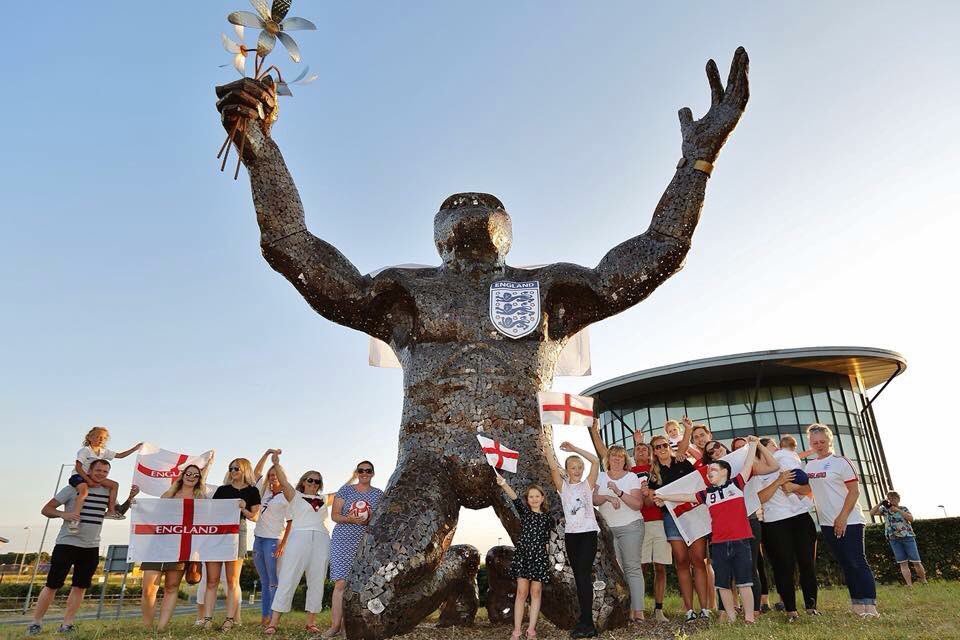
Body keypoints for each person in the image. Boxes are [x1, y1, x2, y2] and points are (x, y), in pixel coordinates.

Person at [656, 436, 761, 624]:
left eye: (713, 470)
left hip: (740, 541)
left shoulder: (737, 484)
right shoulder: (707, 494)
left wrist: (752, 445)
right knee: (722, 584)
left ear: (725, 472)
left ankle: (749, 617)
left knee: (744, 582)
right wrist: (664, 496)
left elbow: (747, 466)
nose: (709, 472)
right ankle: (730, 617)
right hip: (718, 544)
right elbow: (685, 496)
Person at [27, 460, 136, 635]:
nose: (101, 474)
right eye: (98, 470)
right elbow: (46, 509)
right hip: (67, 543)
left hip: (91, 546)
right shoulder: (73, 488)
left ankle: (67, 624)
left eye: (105, 472)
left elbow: (117, 513)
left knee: (80, 586)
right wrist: (65, 514)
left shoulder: (108, 491)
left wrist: (130, 498)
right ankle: (36, 622)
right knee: (52, 585)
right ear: (89, 470)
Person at [805, 424, 878, 617]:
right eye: (815, 443)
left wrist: (843, 516)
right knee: (845, 563)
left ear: (830, 441)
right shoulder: (810, 466)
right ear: (810, 444)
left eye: (822, 441)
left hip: (850, 520)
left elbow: (855, 491)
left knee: (857, 562)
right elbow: (810, 491)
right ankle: (857, 605)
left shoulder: (841, 462)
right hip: (827, 523)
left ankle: (870, 606)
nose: (819, 445)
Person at [647, 419, 710, 622]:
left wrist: (688, 430)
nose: (662, 448)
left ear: (668, 445)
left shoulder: (683, 462)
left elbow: (698, 484)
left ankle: (705, 609)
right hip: (672, 519)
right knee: (682, 562)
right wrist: (652, 496)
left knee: (698, 561)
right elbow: (654, 501)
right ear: (654, 451)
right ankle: (690, 610)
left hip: (693, 514)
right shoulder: (653, 476)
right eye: (658, 447)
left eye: (665, 444)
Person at [267, 453, 331, 635]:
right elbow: (284, 481)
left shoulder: (324, 499)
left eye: (317, 482)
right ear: (303, 481)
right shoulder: (295, 495)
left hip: (321, 539)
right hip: (299, 538)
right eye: (310, 480)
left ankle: (311, 622)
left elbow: (344, 492)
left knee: (317, 580)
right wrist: (277, 464)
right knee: (288, 577)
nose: (313, 484)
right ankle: (273, 622)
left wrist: (356, 475)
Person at [544, 435, 600, 638]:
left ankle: (588, 623)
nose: (576, 470)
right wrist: (547, 447)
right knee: (579, 578)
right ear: (567, 470)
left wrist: (574, 447)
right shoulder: (563, 488)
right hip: (572, 537)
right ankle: (584, 621)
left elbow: (595, 461)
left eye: (579, 467)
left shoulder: (587, 485)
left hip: (588, 534)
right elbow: (551, 466)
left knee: (584, 575)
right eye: (572, 467)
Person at [140, 464, 208, 631]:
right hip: (157, 544)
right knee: (149, 589)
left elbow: (203, 524)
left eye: (196, 475)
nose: (191, 476)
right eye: (188, 473)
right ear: (182, 475)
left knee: (171, 587)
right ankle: (148, 627)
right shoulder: (170, 495)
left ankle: (161, 628)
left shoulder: (201, 498)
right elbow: (158, 508)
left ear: (199, 479)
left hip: (181, 547)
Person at [325, 461, 385, 637]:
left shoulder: (379, 494)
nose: (364, 473)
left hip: (365, 542)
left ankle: (348, 627)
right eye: (361, 470)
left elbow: (380, 519)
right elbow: (334, 515)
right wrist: (350, 519)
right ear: (357, 472)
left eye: (368, 471)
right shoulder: (346, 490)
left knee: (359, 584)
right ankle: (335, 625)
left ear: (373, 473)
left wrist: (371, 519)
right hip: (343, 539)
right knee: (341, 582)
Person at [202, 458, 261, 630]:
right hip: (217, 532)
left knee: (232, 580)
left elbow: (255, 517)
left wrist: (243, 508)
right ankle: (207, 619)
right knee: (212, 580)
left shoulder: (252, 491)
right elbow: (211, 511)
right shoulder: (222, 490)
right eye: (231, 468)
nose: (233, 471)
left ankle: (229, 619)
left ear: (245, 470)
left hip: (237, 532)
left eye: (237, 468)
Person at [756, 466, 819, 621]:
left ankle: (812, 607)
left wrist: (794, 487)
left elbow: (809, 489)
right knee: (783, 567)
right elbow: (759, 498)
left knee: (807, 563)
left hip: (801, 519)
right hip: (774, 523)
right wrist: (778, 482)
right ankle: (791, 611)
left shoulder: (786, 468)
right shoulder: (754, 476)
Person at [592, 445, 646, 622]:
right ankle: (624, 610)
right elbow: (593, 499)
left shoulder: (631, 477)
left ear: (625, 460)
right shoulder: (600, 476)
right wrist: (607, 497)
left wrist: (619, 492)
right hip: (608, 530)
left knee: (632, 568)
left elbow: (638, 504)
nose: (616, 459)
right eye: (613, 456)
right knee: (618, 570)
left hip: (631, 526)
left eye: (620, 457)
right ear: (608, 459)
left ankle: (638, 611)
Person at [495, 473, 552, 640]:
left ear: (542, 498)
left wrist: (546, 558)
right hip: (523, 556)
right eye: (531, 497)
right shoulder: (525, 513)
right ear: (528, 500)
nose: (534, 499)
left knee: (536, 592)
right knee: (521, 592)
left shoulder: (548, 518)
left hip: (539, 557)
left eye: (537, 496)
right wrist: (504, 484)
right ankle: (517, 630)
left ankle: (532, 630)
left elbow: (547, 540)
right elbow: (514, 498)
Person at [66, 426, 141, 529]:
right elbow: (78, 467)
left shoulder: (103, 451)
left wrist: (135, 448)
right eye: (98, 436)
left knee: (114, 485)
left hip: (93, 477)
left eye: (104, 438)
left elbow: (120, 455)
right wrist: (88, 480)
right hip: (79, 476)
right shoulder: (85, 450)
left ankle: (111, 511)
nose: (101, 439)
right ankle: (75, 518)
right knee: (84, 491)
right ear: (90, 438)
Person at [252, 449, 292, 626]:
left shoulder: (287, 496)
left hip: (273, 540)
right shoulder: (264, 492)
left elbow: (291, 521)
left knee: (273, 581)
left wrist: (283, 543)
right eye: (271, 475)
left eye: (276, 474)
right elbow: (256, 473)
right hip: (258, 539)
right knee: (264, 580)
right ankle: (264, 615)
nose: (272, 477)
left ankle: (271, 618)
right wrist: (267, 454)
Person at [870, 491, 927, 586]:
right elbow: (872, 513)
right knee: (902, 562)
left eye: (893, 498)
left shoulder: (903, 508)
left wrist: (898, 510)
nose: (892, 500)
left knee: (916, 561)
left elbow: (911, 519)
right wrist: (880, 503)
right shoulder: (885, 510)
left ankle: (924, 581)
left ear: (898, 499)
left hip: (907, 537)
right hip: (893, 538)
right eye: (890, 498)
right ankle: (909, 585)